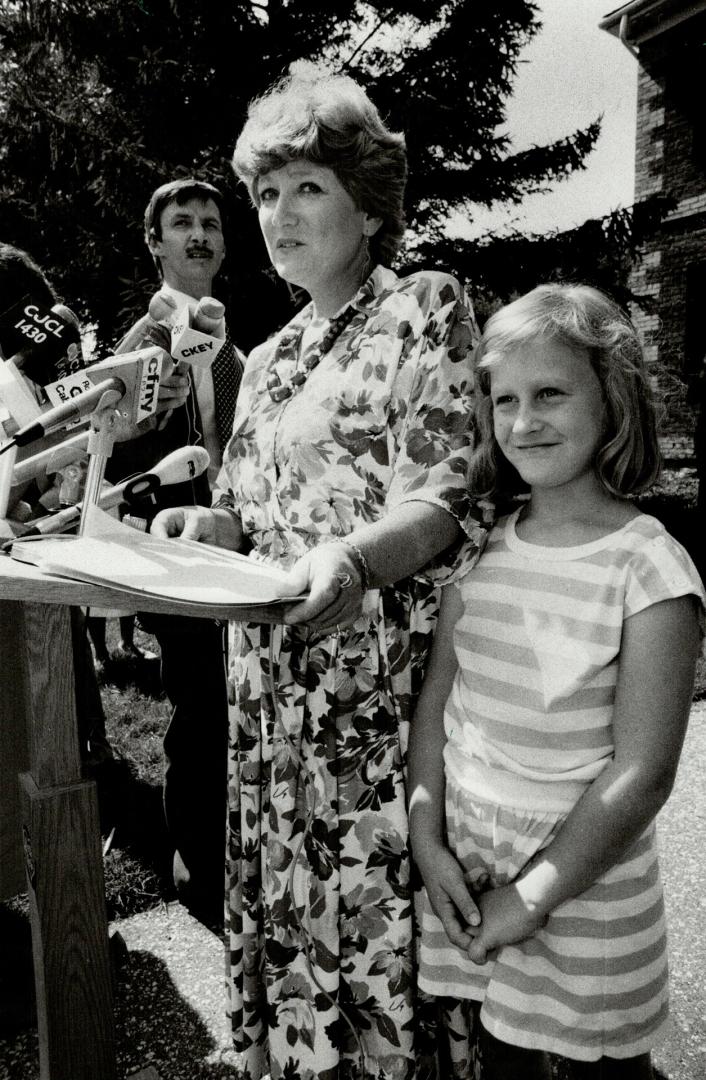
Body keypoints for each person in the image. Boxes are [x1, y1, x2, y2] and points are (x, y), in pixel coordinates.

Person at [152, 67, 487, 1080]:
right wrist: (205, 521)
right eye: (266, 192)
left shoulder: (425, 308)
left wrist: (348, 556)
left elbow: (444, 500)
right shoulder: (270, 357)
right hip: (267, 702)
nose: (279, 213)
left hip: (375, 697)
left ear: (365, 200)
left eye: (306, 186)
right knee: (297, 938)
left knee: (386, 946)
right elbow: (255, 518)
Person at [409, 283, 706, 1080]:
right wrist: (424, 833)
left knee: (597, 1068)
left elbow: (643, 773)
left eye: (550, 394)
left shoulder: (648, 566)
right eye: (505, 399)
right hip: (473, 867)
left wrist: (532, 896)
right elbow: (437, 707)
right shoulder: (479, 549)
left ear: (611, 400)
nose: (524, 420)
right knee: (502, 1059)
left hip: (583, 889)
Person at [107, 178, 244, 924]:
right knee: (199, 705)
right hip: (167, 554)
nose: (198, 235)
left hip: (234, 548)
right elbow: (104, 450)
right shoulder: (141, 343)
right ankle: (197, 873)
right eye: (181, 224)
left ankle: (230, 851)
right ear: (156, 243)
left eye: (210, 224)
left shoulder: (235, 354)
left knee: (229, 703)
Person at [0, 242, 112, 769]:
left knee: (61, 652)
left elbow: (60, 450)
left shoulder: (35, 372)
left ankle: (86, 743)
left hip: (44, 546)